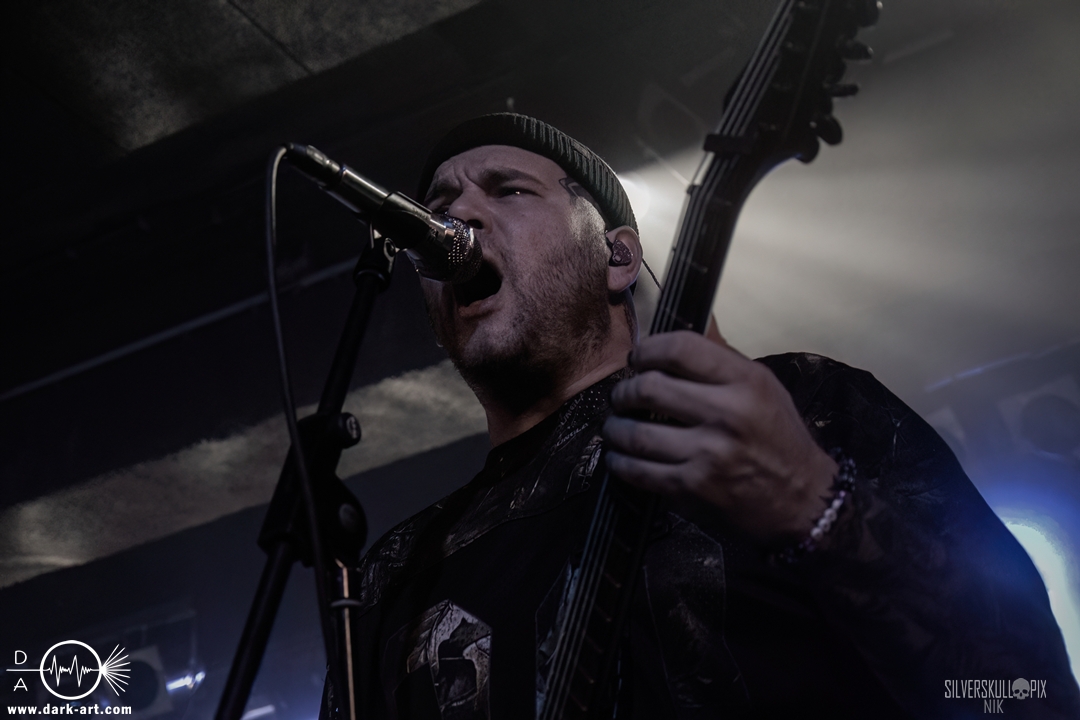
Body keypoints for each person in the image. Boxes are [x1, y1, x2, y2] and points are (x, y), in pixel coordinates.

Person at [325, 114, 1080, 719]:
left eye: (509, 191)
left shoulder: (798, 407)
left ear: (619, 257)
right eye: (438, 208)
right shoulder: (396, 570)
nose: (458, 216)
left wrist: (817, 506)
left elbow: (1024, 688)